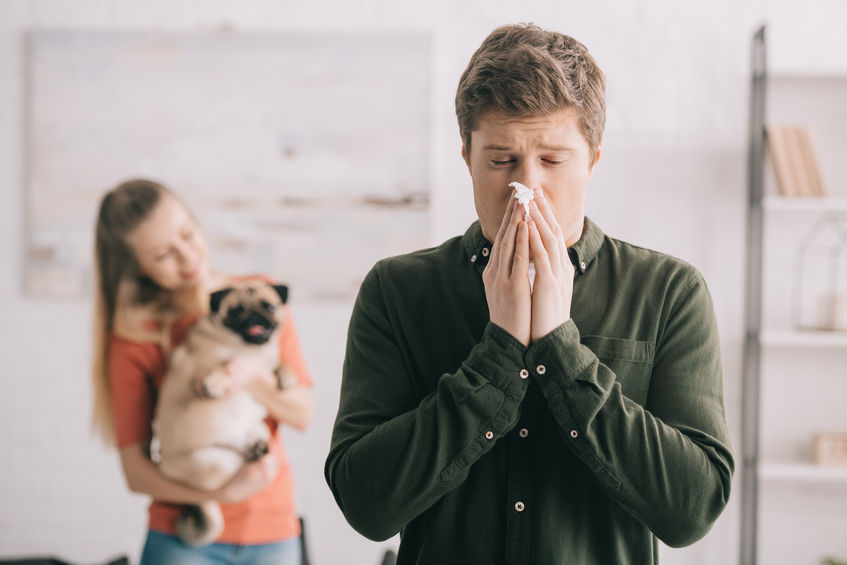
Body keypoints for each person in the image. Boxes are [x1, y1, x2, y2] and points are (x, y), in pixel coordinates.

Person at [325, 23, 733, 564]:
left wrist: (559, 347)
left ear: (592, 159)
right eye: (501, 160)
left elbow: (692, 510)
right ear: (466, 156)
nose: (527, 187)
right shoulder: (397, 290)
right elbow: (366, 506)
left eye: (553, 160)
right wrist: (499, 350)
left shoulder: (668, 292)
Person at [91, 178, 313, 564]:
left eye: (187, 234)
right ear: (136, 268)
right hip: (183, 539)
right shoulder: (135, 336)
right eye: (162, 255)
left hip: (273, 529)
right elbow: (135, 472)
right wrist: (222, 495)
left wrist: (247, 376)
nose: (187, 256)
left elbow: (302, 414)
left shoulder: (261, 300)